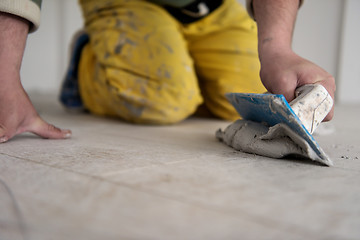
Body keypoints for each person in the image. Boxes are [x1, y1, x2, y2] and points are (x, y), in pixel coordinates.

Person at [0, 0, 335, 143]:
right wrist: (4, 72)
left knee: (249, 94)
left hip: (210, 7)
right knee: (165, 99)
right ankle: (88, 61)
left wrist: (276, 49)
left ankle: (181, 63)